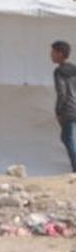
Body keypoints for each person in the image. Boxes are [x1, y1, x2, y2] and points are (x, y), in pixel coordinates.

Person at [54, 41, 76, 172]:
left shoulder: (59, 71)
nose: (51, 55)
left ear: (60, 53)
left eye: (53, 52)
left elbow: (61, 92)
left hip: (68, 109)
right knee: (68, 138)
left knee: (67, 138)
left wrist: (58, 111)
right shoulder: (74, 69)